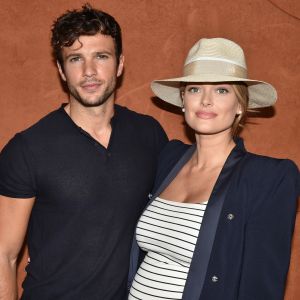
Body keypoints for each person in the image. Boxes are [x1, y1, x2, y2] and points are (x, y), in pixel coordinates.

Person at [0, 4, 168, 300]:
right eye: (75, 59)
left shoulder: (149, 134)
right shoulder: (27, 148)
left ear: (119, 64)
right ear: (62, 70)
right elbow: (4, 255)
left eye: (101, 57)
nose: (89, 71)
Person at [128, 38, 299, 299]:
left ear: (240, 105)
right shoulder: (168, 158)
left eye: (221, 90)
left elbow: (261, 286)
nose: (206, 100)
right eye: (195, 89)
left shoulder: (268, 179)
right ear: (183, 100)